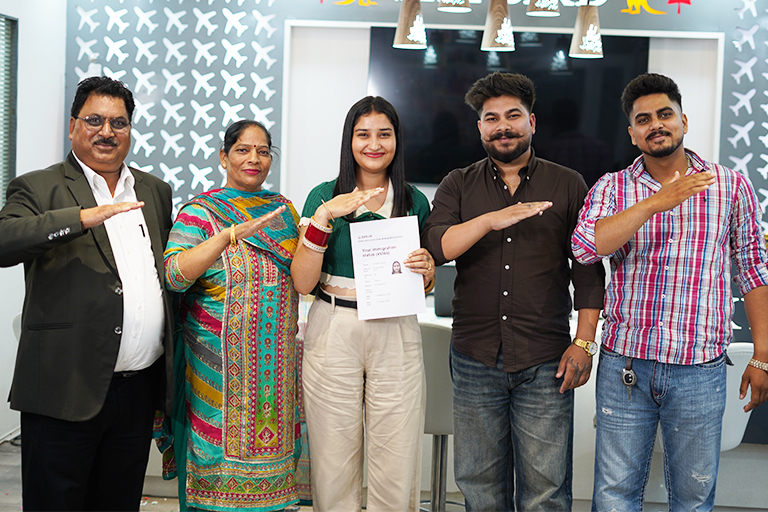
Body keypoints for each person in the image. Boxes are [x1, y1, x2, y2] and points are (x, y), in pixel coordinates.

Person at [572, 72, 768, 511]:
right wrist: (656, 202)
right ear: (632, 133)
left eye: (665, 114)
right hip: (626, 365)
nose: (656, 125)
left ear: (683, 120)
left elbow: (754, 271)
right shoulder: (612, 187)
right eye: (643, 119)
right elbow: (585, 248)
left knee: (694, 498)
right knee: (614, 496)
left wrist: (763, 354)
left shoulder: (729, 185)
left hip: (700, 368)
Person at [422, 72, 605, 511]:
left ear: (532, 122)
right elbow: (438, 246)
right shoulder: (458, 183)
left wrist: (584, 341)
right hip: (474, 357)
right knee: (480, 486)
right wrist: (489, 220)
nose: (503, 127)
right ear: (480, 128)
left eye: (513, 116)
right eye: (491, 119)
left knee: (546, 489)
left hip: (545, 358)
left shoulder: (567, 183)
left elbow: (587, 268)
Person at [0, 76, 174, 511]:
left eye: (119, 122)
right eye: (94, 120)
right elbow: (4, 242)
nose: (106, 131)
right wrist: (79, 218)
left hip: (136, 391)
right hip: (64, 387)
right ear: (73, 126)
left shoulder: (154, 191)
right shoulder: (38, 187)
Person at [291, 96, 435, 511]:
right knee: (333, 458)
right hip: (334, 324)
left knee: (397, 455)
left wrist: (426, 271)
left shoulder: (414, 201)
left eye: (384, 134)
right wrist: (323, 218)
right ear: (349, 140)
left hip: (396, 327)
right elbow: (303, 282)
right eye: (363, 134)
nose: (374, 144)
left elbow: (422, 284)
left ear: (397, 140)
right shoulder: (324, 195)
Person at [163, 120, 302, 511]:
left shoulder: (284, 213)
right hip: (215, 375)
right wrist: (226, 237)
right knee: (212, 474)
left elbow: (304, 277)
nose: (253, 159)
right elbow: (173, 275)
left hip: (273, 378)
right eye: (243, 149)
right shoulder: (200, 213)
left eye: (263, 151)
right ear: (223, 157)